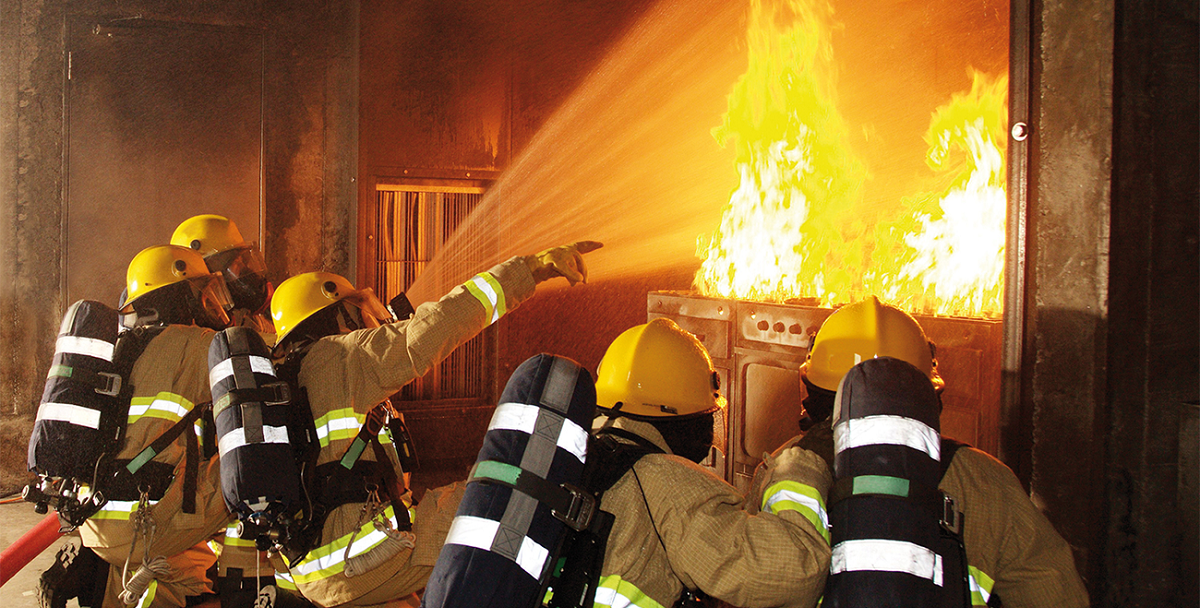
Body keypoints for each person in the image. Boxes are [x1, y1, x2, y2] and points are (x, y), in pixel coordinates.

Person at [263, 241, 601, 608]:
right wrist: (530, 270)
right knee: (509, 496)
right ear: (335, 316)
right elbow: (434, 327)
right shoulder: (342, 354)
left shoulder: (293, 376)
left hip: (320, 569)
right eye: (356, 310)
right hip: (365, 555)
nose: (370, 320)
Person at [751, 296, 1089, 608]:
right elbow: (1056, 595)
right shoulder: (986, 480)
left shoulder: (782, 470)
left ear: (813, 389)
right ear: (928, 394)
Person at [588, 317, 832, 608]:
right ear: (683, 417)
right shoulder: (668, 486)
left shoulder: (580, 451)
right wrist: (801, 465)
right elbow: (795, 572)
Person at [77, 244, 237, 608]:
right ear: (177, 294)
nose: (207, 301)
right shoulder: (198, 344)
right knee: (250, 471)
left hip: (94, 522)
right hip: (145, 524)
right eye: (199, 292)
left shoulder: (121, 345)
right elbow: (261, 365)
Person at [171, 214, 285, 607]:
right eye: (235, 267)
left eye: (245, 262)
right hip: (201, 475)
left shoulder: (242, 320)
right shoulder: (192, 331)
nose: (247, 275)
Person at [171, 214, 274, 334]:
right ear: (210, 272)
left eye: (243, 260)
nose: (244, 270)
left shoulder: (242, 318)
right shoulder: (199, 334)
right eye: (236, 262)